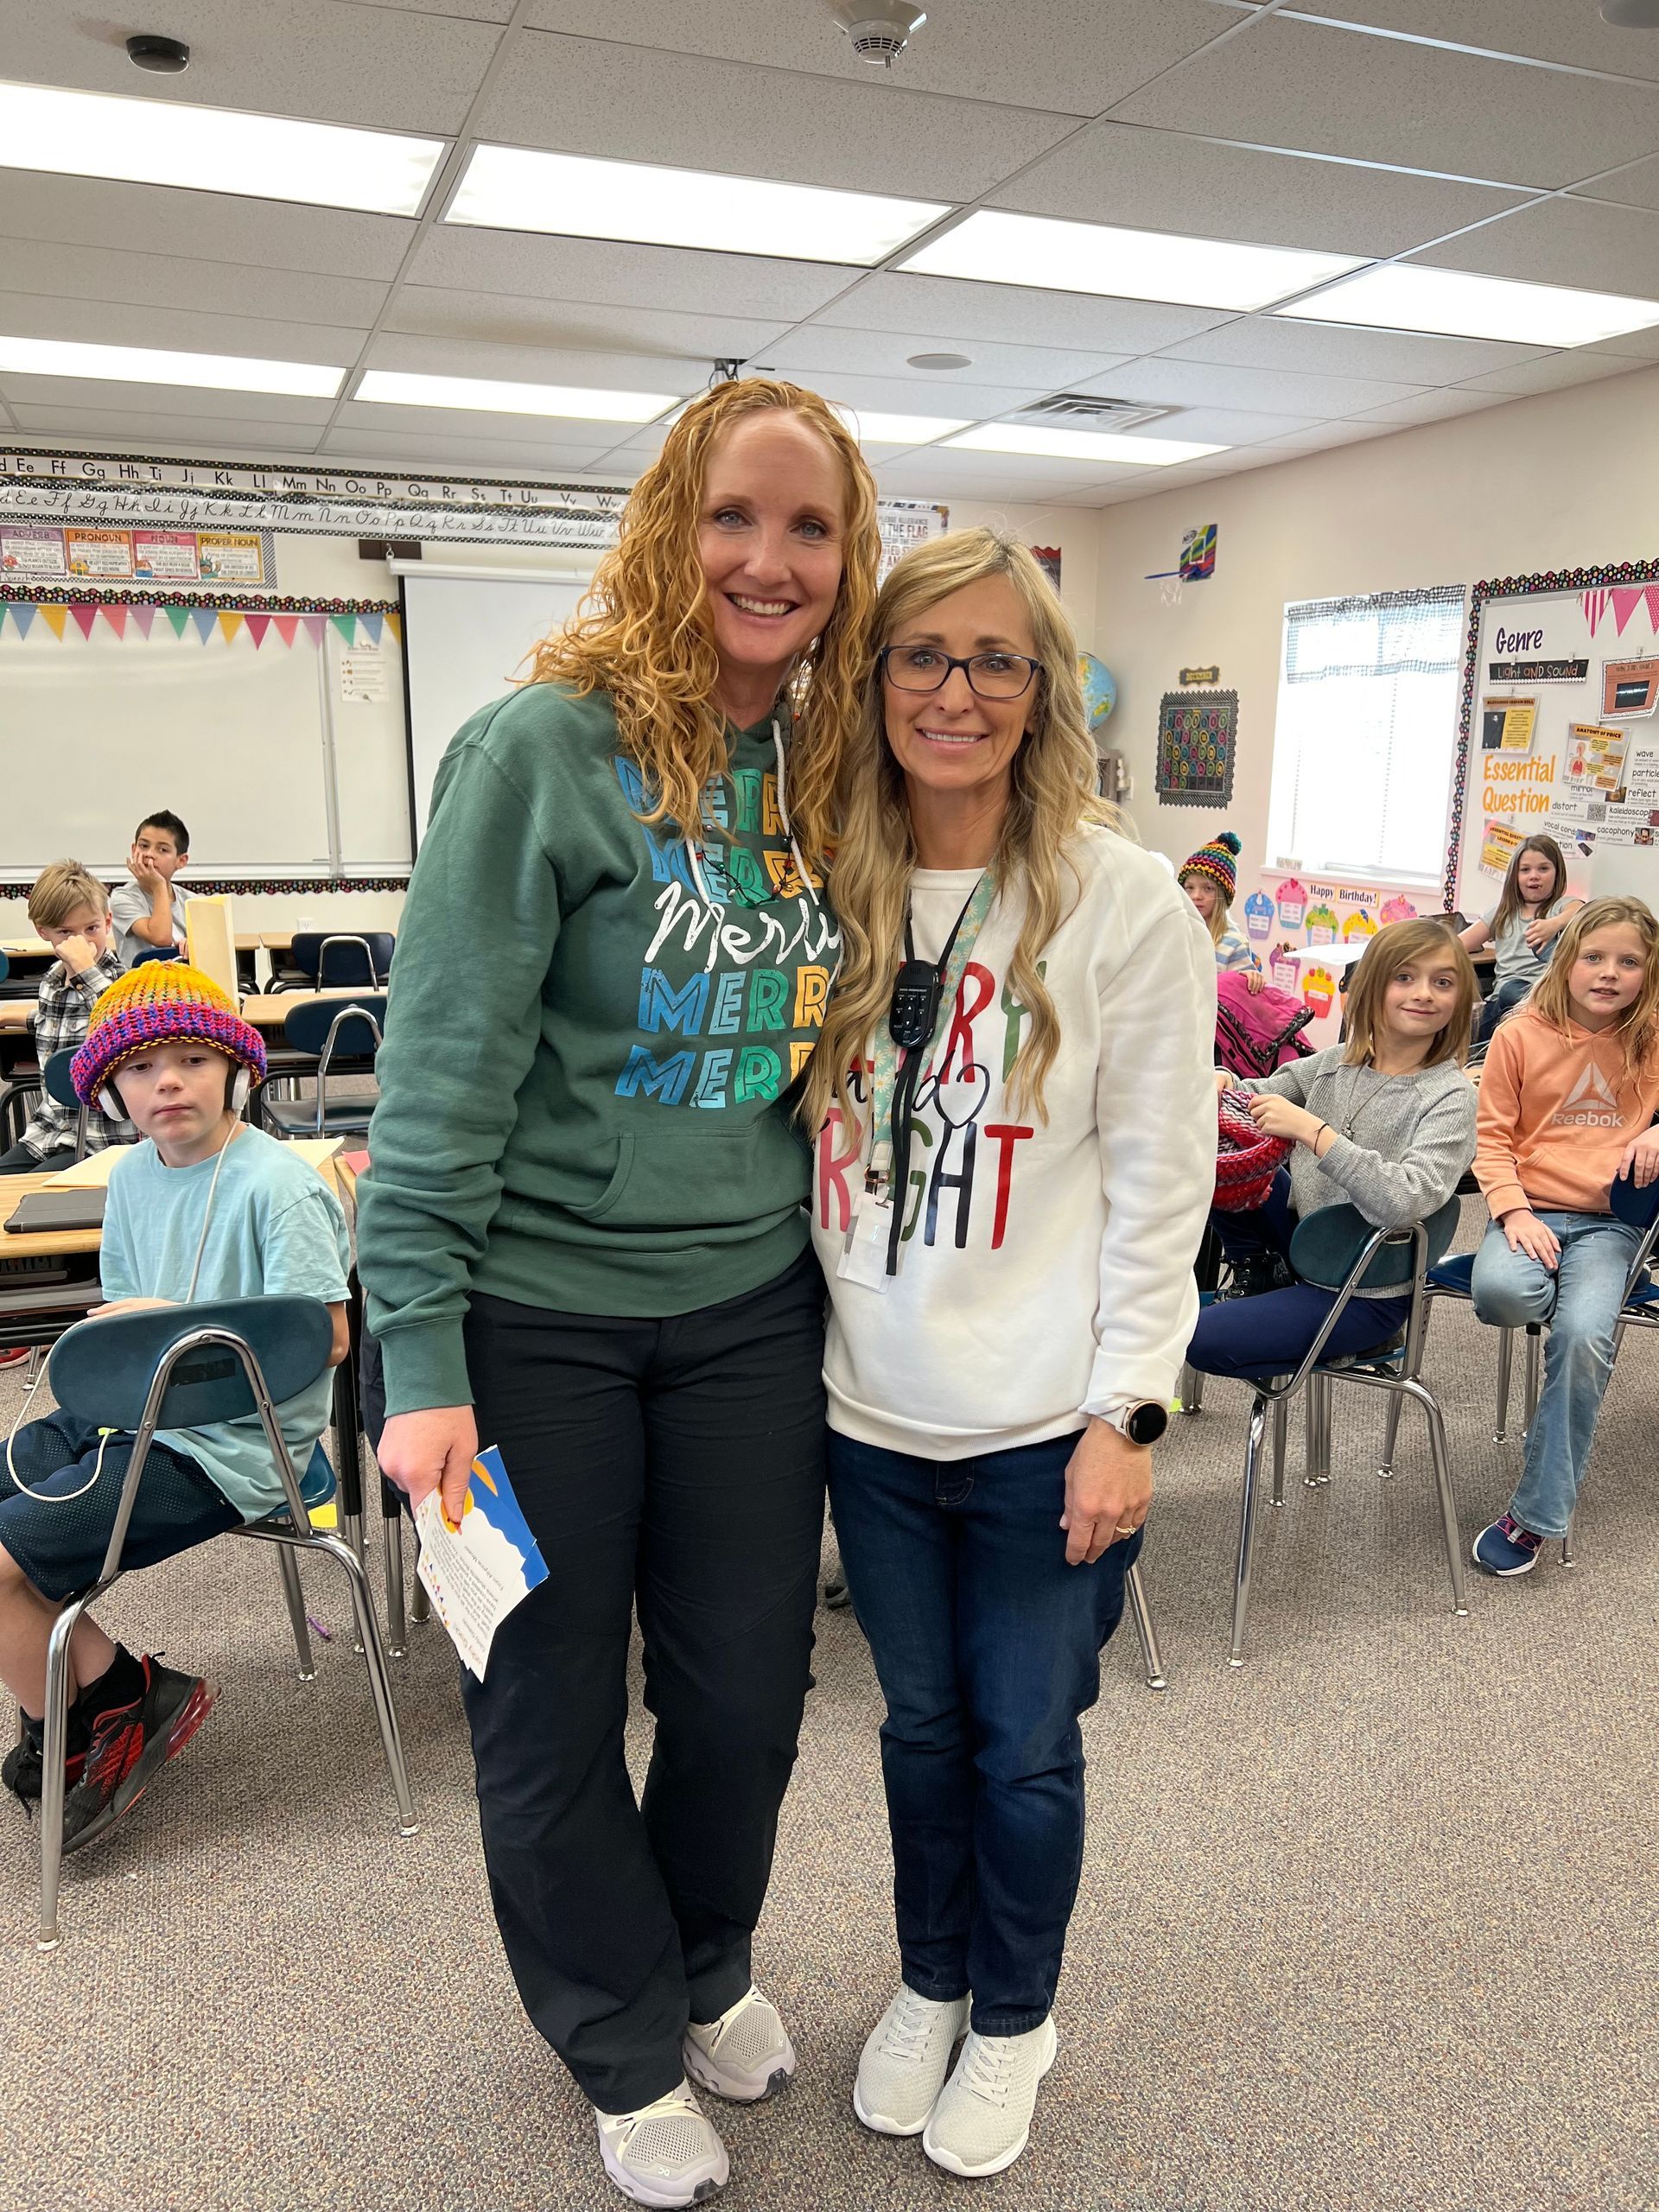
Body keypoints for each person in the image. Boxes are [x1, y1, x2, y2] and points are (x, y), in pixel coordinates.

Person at [357, 378, 880, 2209]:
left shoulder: (830, 769)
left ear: (846, 557)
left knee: (746, 1686)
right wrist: (416, 1351)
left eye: (809, 528)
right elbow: (437, 1074)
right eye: (735, 516)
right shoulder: (541, 747)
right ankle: (617, 2026)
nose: (769, 558)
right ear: (671, 524)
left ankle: (710, 1948)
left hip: (747, 1308)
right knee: (549, 1699)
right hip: (531, 1320)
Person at [801, 529, 1216, 2179]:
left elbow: (1161, 1186)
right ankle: (933, 1977)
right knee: (914, 1731)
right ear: (875, 677)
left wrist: (1133, 1414)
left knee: (1023, 1742)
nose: (955, 692)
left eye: (994, 660)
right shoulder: (827, 876)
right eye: (922, 656)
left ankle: (1018, 2012)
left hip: (1051, 1423)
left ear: (1042, 691)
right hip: (872, 1417)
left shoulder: (1118, 902)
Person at [0, 962, 351, 1842]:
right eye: (140, 1069)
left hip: (231, 1446)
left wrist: (181, 1324)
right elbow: (124, 1326)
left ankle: (78, 1716)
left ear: (234, 1070)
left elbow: (330, 1340)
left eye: (192, 1060)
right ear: (112, 1090)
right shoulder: (131, 1179)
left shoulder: (280, 1186)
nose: (166, 1082)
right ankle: (114, 1692)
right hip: (132, 1413)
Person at [1187, 919, 1479, 1374]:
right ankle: (1260, 1272)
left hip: (1364, 1287)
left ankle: (1352, 1340)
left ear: (1459, 1000)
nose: (1424, 993)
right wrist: (1227, 1082)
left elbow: (1405, 1202)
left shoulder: (1450, 1096)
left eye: (1442, 982)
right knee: (1213, 1148)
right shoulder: (1335, 1064)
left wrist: (1316, 1133)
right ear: (1369, 987)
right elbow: (1258, 1095)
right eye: (1404, 977)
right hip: (1302, 1247)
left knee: (1196, 1337)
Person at [1467, 896, 1659, 1575]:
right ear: (1565, 960)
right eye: (1595, 957)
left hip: (1611, 1226)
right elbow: (1489, 1141)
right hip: (1530, 1211)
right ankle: (1583, 1313)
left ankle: (1535, 1517)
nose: (1610, 973)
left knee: (1581, 1338)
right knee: (1500, 1296)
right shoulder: (1519, 1032)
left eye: (1629, 962)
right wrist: (1514, 1213)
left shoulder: (1651, 1033)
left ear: (1647, 972)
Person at [0, 860, 134, 1174]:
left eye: (92, 928)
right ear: (42, 931)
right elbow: (66, 1025)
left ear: (108, 920)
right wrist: (21, 1017)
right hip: (50, 1130)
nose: (82, 942)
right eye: (66, 932)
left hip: (101, 1138)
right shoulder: (52, 980)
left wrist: (86, 969)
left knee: (31, 1193)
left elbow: (123, 1024)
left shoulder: (122, 984)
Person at [1458, 834, 1581, 1046]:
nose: (1534, 876)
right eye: (1525, 870)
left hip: (1543, 999)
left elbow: (1582, 910)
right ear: (1515, 875)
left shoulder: (1560, 907)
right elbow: (1458, 944)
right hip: (1503, 1002)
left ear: (1557, 873)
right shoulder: (1503, 912)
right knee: (1490, 1006)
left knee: (1516, 994)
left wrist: (1554, 924)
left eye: (1543, 869)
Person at [1180, 830, 1263, 991]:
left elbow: (1241, 997)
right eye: (1189, 888)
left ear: (1222, 894)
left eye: (1208, 888)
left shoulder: (1233, 943)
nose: (1196, 896)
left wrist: (1252, 979)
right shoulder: (1179, 931)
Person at [111, 810, 190, 969]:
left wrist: (195, 945)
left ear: (181, 861)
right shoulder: (123, 897)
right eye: (144, 846)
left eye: (163, 850)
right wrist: (159, 886)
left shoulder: (192, 902)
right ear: (134, 850)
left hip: (185, 985)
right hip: (139, 988)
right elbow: (161, 938)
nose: (149, 854)